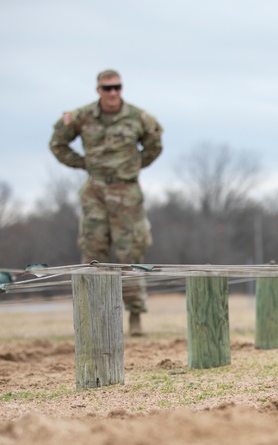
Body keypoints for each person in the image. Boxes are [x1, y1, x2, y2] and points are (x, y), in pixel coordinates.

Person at [49, 69, 164, 336]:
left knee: (131, 254)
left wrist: (132, 166)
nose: (113, 93)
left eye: (117, 87)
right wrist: (84, 163)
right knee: (93, 254)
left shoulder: (139, 117)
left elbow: (154, 145)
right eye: (107, 88)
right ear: (98, 90)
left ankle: (135, 317)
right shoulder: (81, 116)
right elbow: (57, 143)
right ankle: (94, 320)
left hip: (126, 193)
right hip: (96, 192)